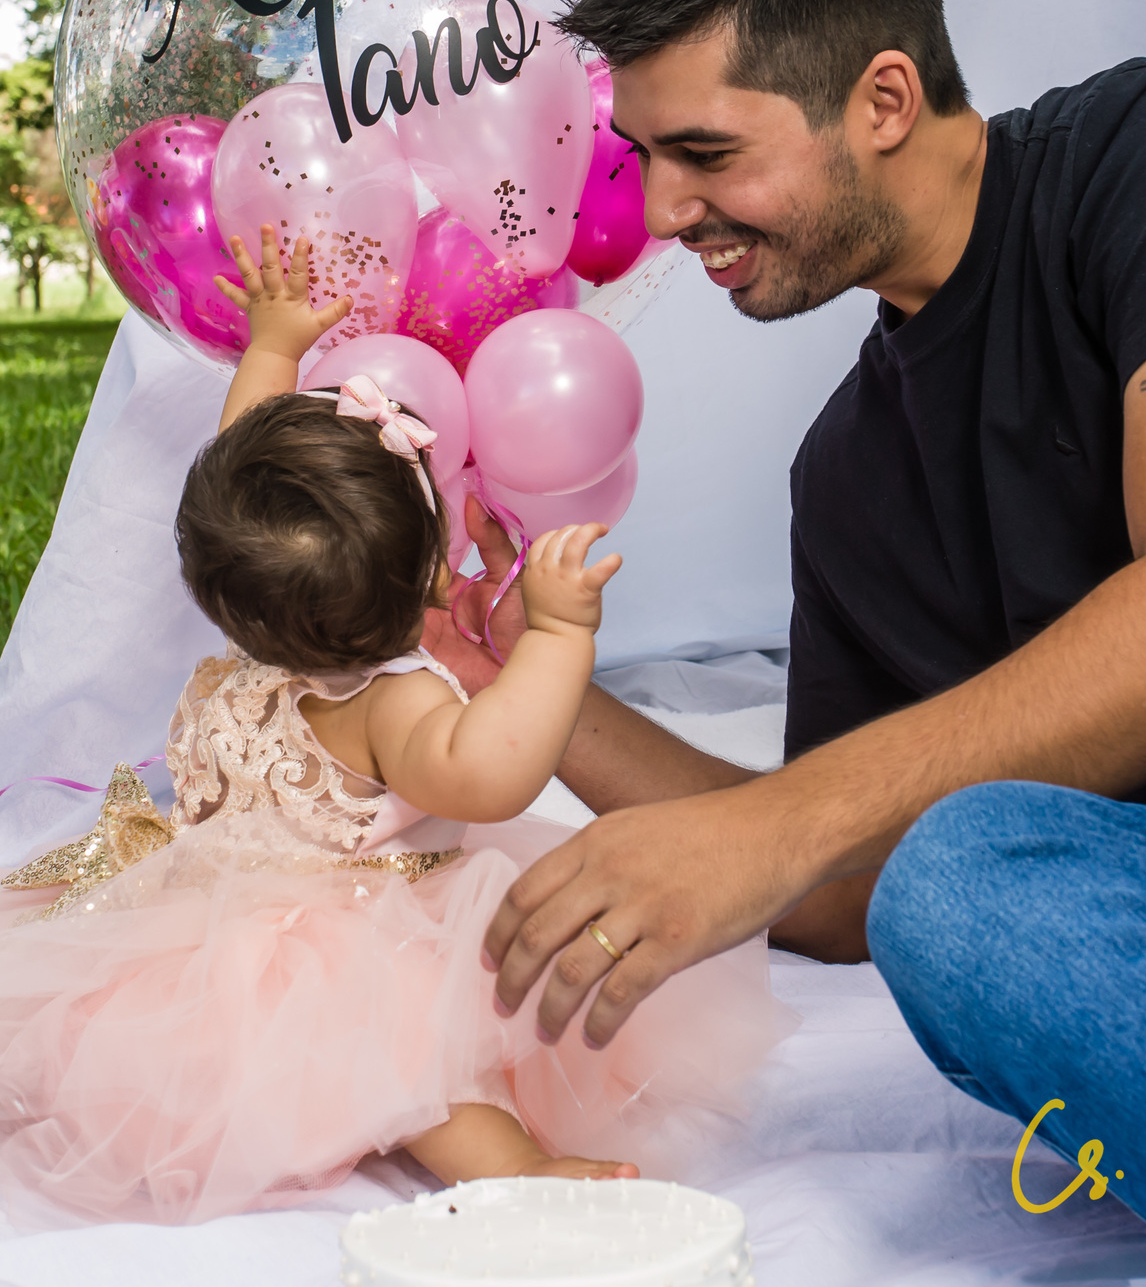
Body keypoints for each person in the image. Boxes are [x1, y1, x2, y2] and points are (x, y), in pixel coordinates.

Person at [465, 0, 1146, 1256]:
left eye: (707, 153)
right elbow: (848, 885)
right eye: (649, 157)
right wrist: (519, 669)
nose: (666, 211)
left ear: (881, 97)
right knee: (962, 892)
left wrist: (771, 825)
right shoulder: (852, 475)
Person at [0, 225, 780, 1228]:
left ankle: (481, 1160)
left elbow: (243, 463)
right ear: (425, 572)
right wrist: (557, 633)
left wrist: (273, 344)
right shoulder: (391, 701)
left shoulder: (252, 619)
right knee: (421, 1058)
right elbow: (494, 771)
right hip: (347, 944)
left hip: (215, 920)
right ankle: (508, 1165)